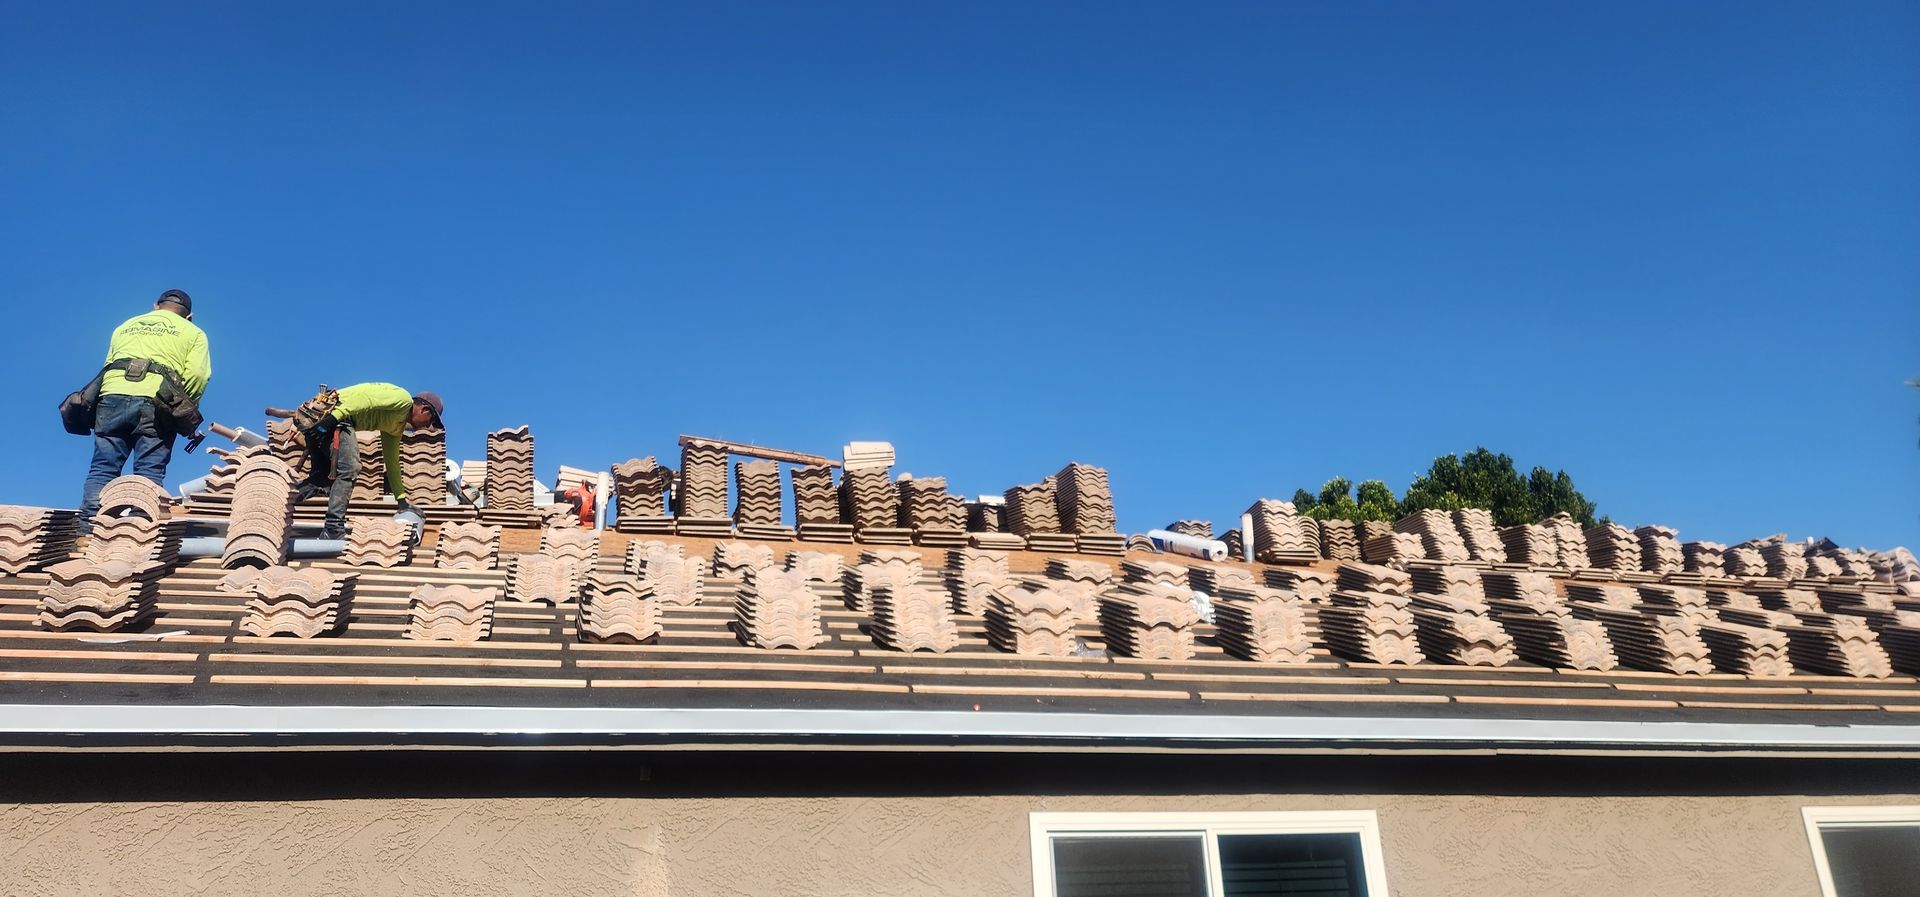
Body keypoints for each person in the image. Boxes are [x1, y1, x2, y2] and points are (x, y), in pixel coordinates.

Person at [78, 290, 211, 529]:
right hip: (157, 400)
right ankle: (137, 530)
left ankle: (89, 528)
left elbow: (109, 362)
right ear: (189, 316)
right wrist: (183, 409)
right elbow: (198, 375)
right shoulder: (193, 332)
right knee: (149, 469)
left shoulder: (126, 325)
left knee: (103, 468)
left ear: (155, 306)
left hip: (111, 396)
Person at [294, 384, 443, 539]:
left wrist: (401, 500)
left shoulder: (395, 428)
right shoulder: (403, 399)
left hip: (329, 421)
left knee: (321, 480)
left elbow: (392, 463)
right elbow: (365, 400)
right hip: (332, 417)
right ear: (425, 410)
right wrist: (331, 420)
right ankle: (333, 529)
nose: (428, 426)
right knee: (350, 468)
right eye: (431, 421)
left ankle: (280, 502)